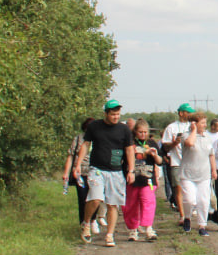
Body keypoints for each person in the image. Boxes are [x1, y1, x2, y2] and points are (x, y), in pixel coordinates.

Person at [74, 99, 136, 247]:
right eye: (113, 114)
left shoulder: (124, 130)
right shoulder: (95, 127)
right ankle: (87, 222)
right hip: (97, 169)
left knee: (112, 204)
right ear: (106, 114)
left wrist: (131, 170)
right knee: (95, 198)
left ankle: (109, 234)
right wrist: (77, 164)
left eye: (118, 114)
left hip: (116, 171)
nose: (116, 117)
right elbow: (86, 144)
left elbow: (129, 150)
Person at [178, 109, 217, 235]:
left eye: (205, 123)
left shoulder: (207, 138)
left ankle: (202, 226)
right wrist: (194, 130)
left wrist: (214, 170)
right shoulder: (186, 135)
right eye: (202, 123)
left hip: (203, 175)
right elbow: (189, 143)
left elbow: (211, 155)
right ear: (194, 123)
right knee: (189, 200)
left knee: (203, 201)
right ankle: (187, 217)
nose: (205, 126)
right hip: (188, 174)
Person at [124, 121, 162, 241]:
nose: (143, 134)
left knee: (148, 202)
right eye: (140, 132)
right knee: (131, 204)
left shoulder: (151, 143)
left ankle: (148, 228)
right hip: (133, 179)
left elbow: (160, 161)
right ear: (135, 132)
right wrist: (143, 152)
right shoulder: (131, 143)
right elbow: (129, 154)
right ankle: (133, 230)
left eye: (145, 132)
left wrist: (155, 155)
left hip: (148, 179)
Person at [161, 103, 196, 223]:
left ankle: (190, 211)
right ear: (181, 113)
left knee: (191, 188)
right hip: (176, 162)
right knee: (178, 189)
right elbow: (165, 146)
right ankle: (182, 215)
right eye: (188, 112)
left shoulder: (193, 127)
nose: (190, 114)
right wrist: (175, 143)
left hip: (190, 161)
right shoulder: (171, 127)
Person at [61, 117, 97, 230]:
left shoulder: (99, 138)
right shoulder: (78, 139)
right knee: (82, 198)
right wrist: (66, 173)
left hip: (95, 172)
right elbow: (70, 156)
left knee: (95, 197)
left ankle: (93, 220)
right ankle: (83, 223)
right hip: (80, 173)